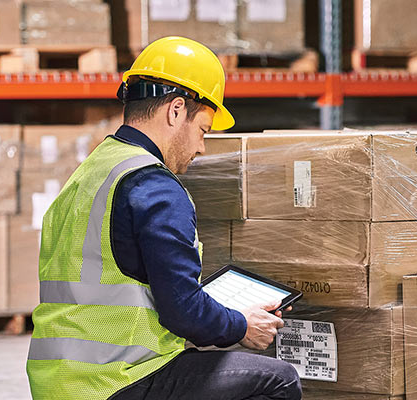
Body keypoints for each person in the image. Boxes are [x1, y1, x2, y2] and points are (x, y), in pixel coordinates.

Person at [25, 36, 303, 400]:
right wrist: (242, 325)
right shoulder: (155, 187)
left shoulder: (92, 173)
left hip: (58, 383)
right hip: (117, 381)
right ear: (175, 111)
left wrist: (217, 309)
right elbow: (184, 314)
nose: (202, 147)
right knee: (279, 380)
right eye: (202, 129)